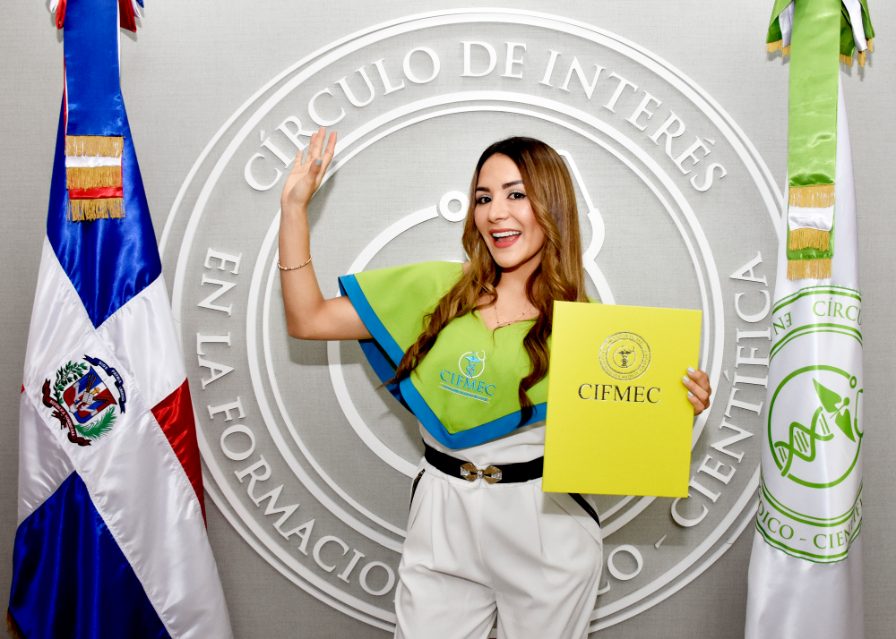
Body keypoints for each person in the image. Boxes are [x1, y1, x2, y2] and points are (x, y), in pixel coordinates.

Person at [278, 128, 712, 639]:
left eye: (516, 195)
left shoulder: (593, 331)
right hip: (442, 514)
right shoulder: (435, 290)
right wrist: (293, 209)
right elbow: (308, 319)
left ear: (551, 206)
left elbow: (624, 448)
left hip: (546, 527)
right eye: (484, 198)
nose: (496, 213)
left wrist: (680, 408)